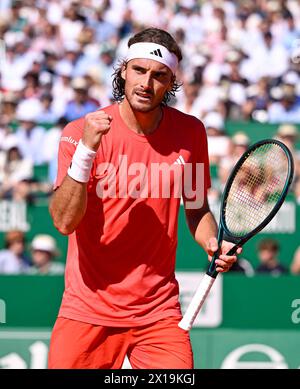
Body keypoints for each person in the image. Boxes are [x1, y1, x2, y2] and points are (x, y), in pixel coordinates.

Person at [48, 28, 239, 369]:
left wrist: (213, 241)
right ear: (123, 70)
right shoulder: (80, 132)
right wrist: (87, 152)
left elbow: (196, 209)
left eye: (159, 76)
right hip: (87, 308)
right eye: (139, 70)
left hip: (158, 312)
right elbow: (64, 222)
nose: (146, 83)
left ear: (171, 83)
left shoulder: (190, 133)